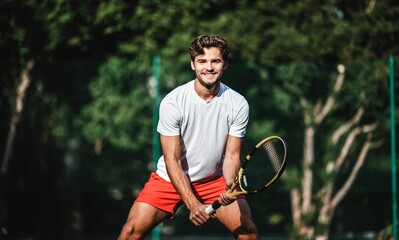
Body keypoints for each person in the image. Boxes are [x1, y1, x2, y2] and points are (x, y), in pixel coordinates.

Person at [118, 34, 259, 240]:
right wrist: (193, 204)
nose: (208, 67)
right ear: (193, 65)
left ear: (225, 64)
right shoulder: (173, 102)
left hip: (213, 179)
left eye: (215, 61)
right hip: (169, 179)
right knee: (130, 232)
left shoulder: (237, 103)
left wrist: (230, 186)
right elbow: (172, 160)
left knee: (248, 231)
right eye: (202, 61)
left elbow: (231, 156)